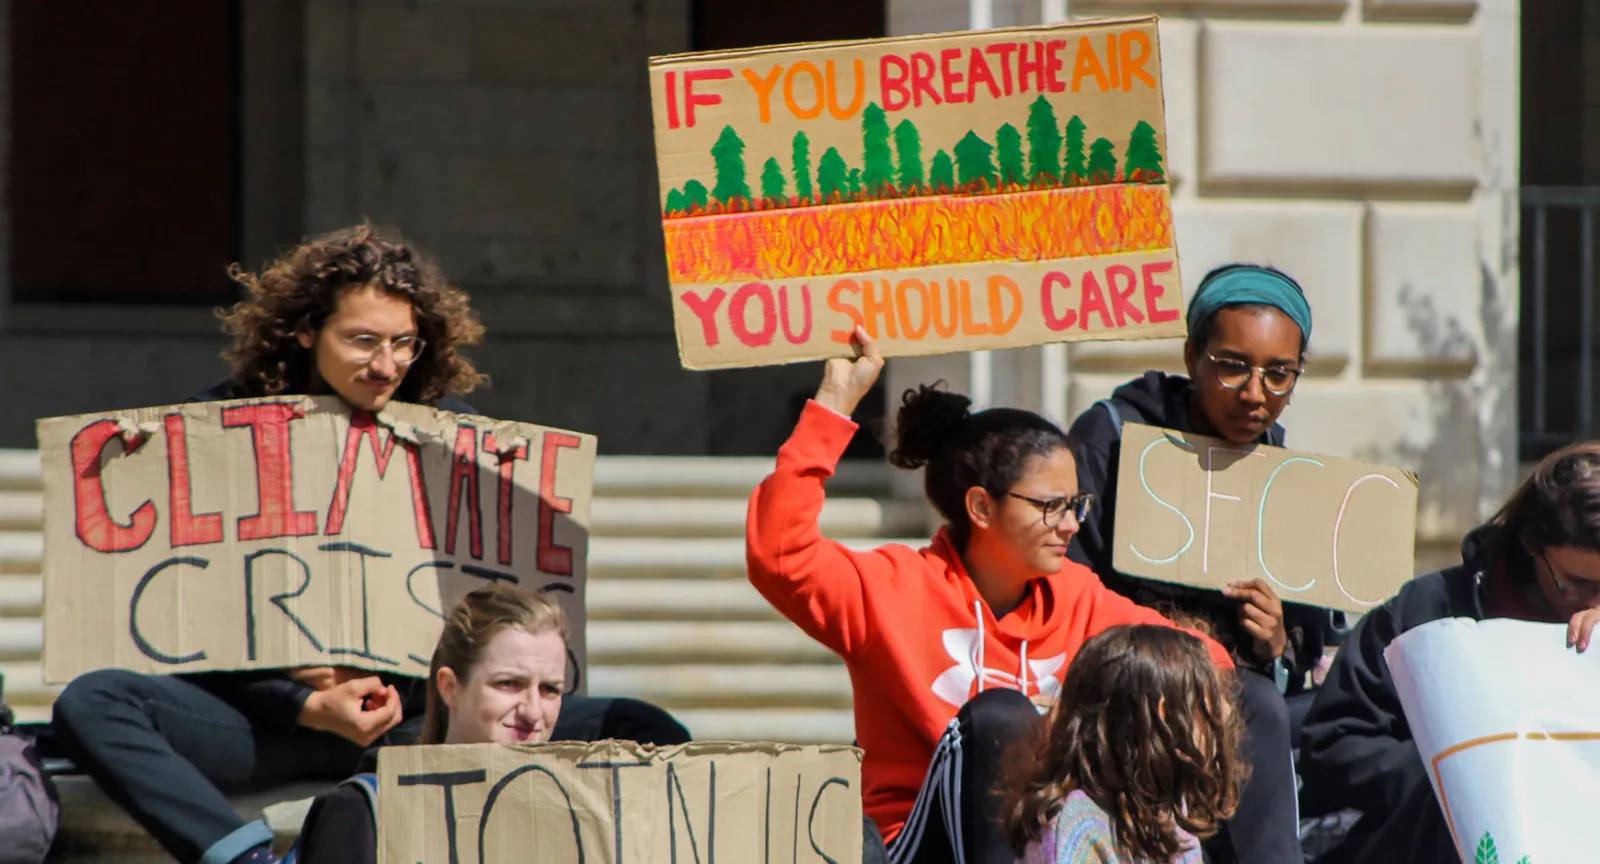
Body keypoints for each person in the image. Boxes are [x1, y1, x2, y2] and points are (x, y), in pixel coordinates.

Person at [49, 225, 686, 864]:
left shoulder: (455, 443)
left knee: (636, 725)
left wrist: (404, 685)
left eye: (403, 344)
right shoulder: (214, 432)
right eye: (362, 341)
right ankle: (246, 859)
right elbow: (174, 627)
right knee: (92, 701)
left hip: (411, 720)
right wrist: (302, 701)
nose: (385, 366)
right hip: (263, 724)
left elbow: (481, 619)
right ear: (305, 331)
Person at [746, 327, 1233, 864]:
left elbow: (1207, 659)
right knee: (1000, 717)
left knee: (1247, 698)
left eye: (1078, 504)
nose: (1071, 525)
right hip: (920, 844)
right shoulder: (889, 588)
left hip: (1050, 839)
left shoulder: (1078, 596)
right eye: (1051, 506)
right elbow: (779, 554)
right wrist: (836, 401)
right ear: (981, 508)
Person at [1067, 262, 1333, 863]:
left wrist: (1274, 640)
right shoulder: (1111, 438)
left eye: (1279, 374)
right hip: (1121, 685)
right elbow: (1065, 579)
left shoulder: (1286, 475)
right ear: (1193, 356)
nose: (1255, 393)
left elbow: (1303, 649)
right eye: (1233, 365)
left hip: (1235, 692)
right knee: (1255, 706)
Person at [1298, 442, 1600, 864]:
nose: (1593, 603)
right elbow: (1332, 748)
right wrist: (1457, 774)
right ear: (1532, 542)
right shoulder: (1428, 611)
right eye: (1578, 584)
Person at [292, 583, 568, 863]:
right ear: (449, 687)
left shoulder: (573, 820)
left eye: (550, 690)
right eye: (508, 683)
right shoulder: (363, 812)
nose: (533, 712)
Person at [1002, 624, 1248, 864]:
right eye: (1207, 704)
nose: (1225, 712)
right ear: (1164, 718)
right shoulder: (1079, 826)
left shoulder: (1170, 816)